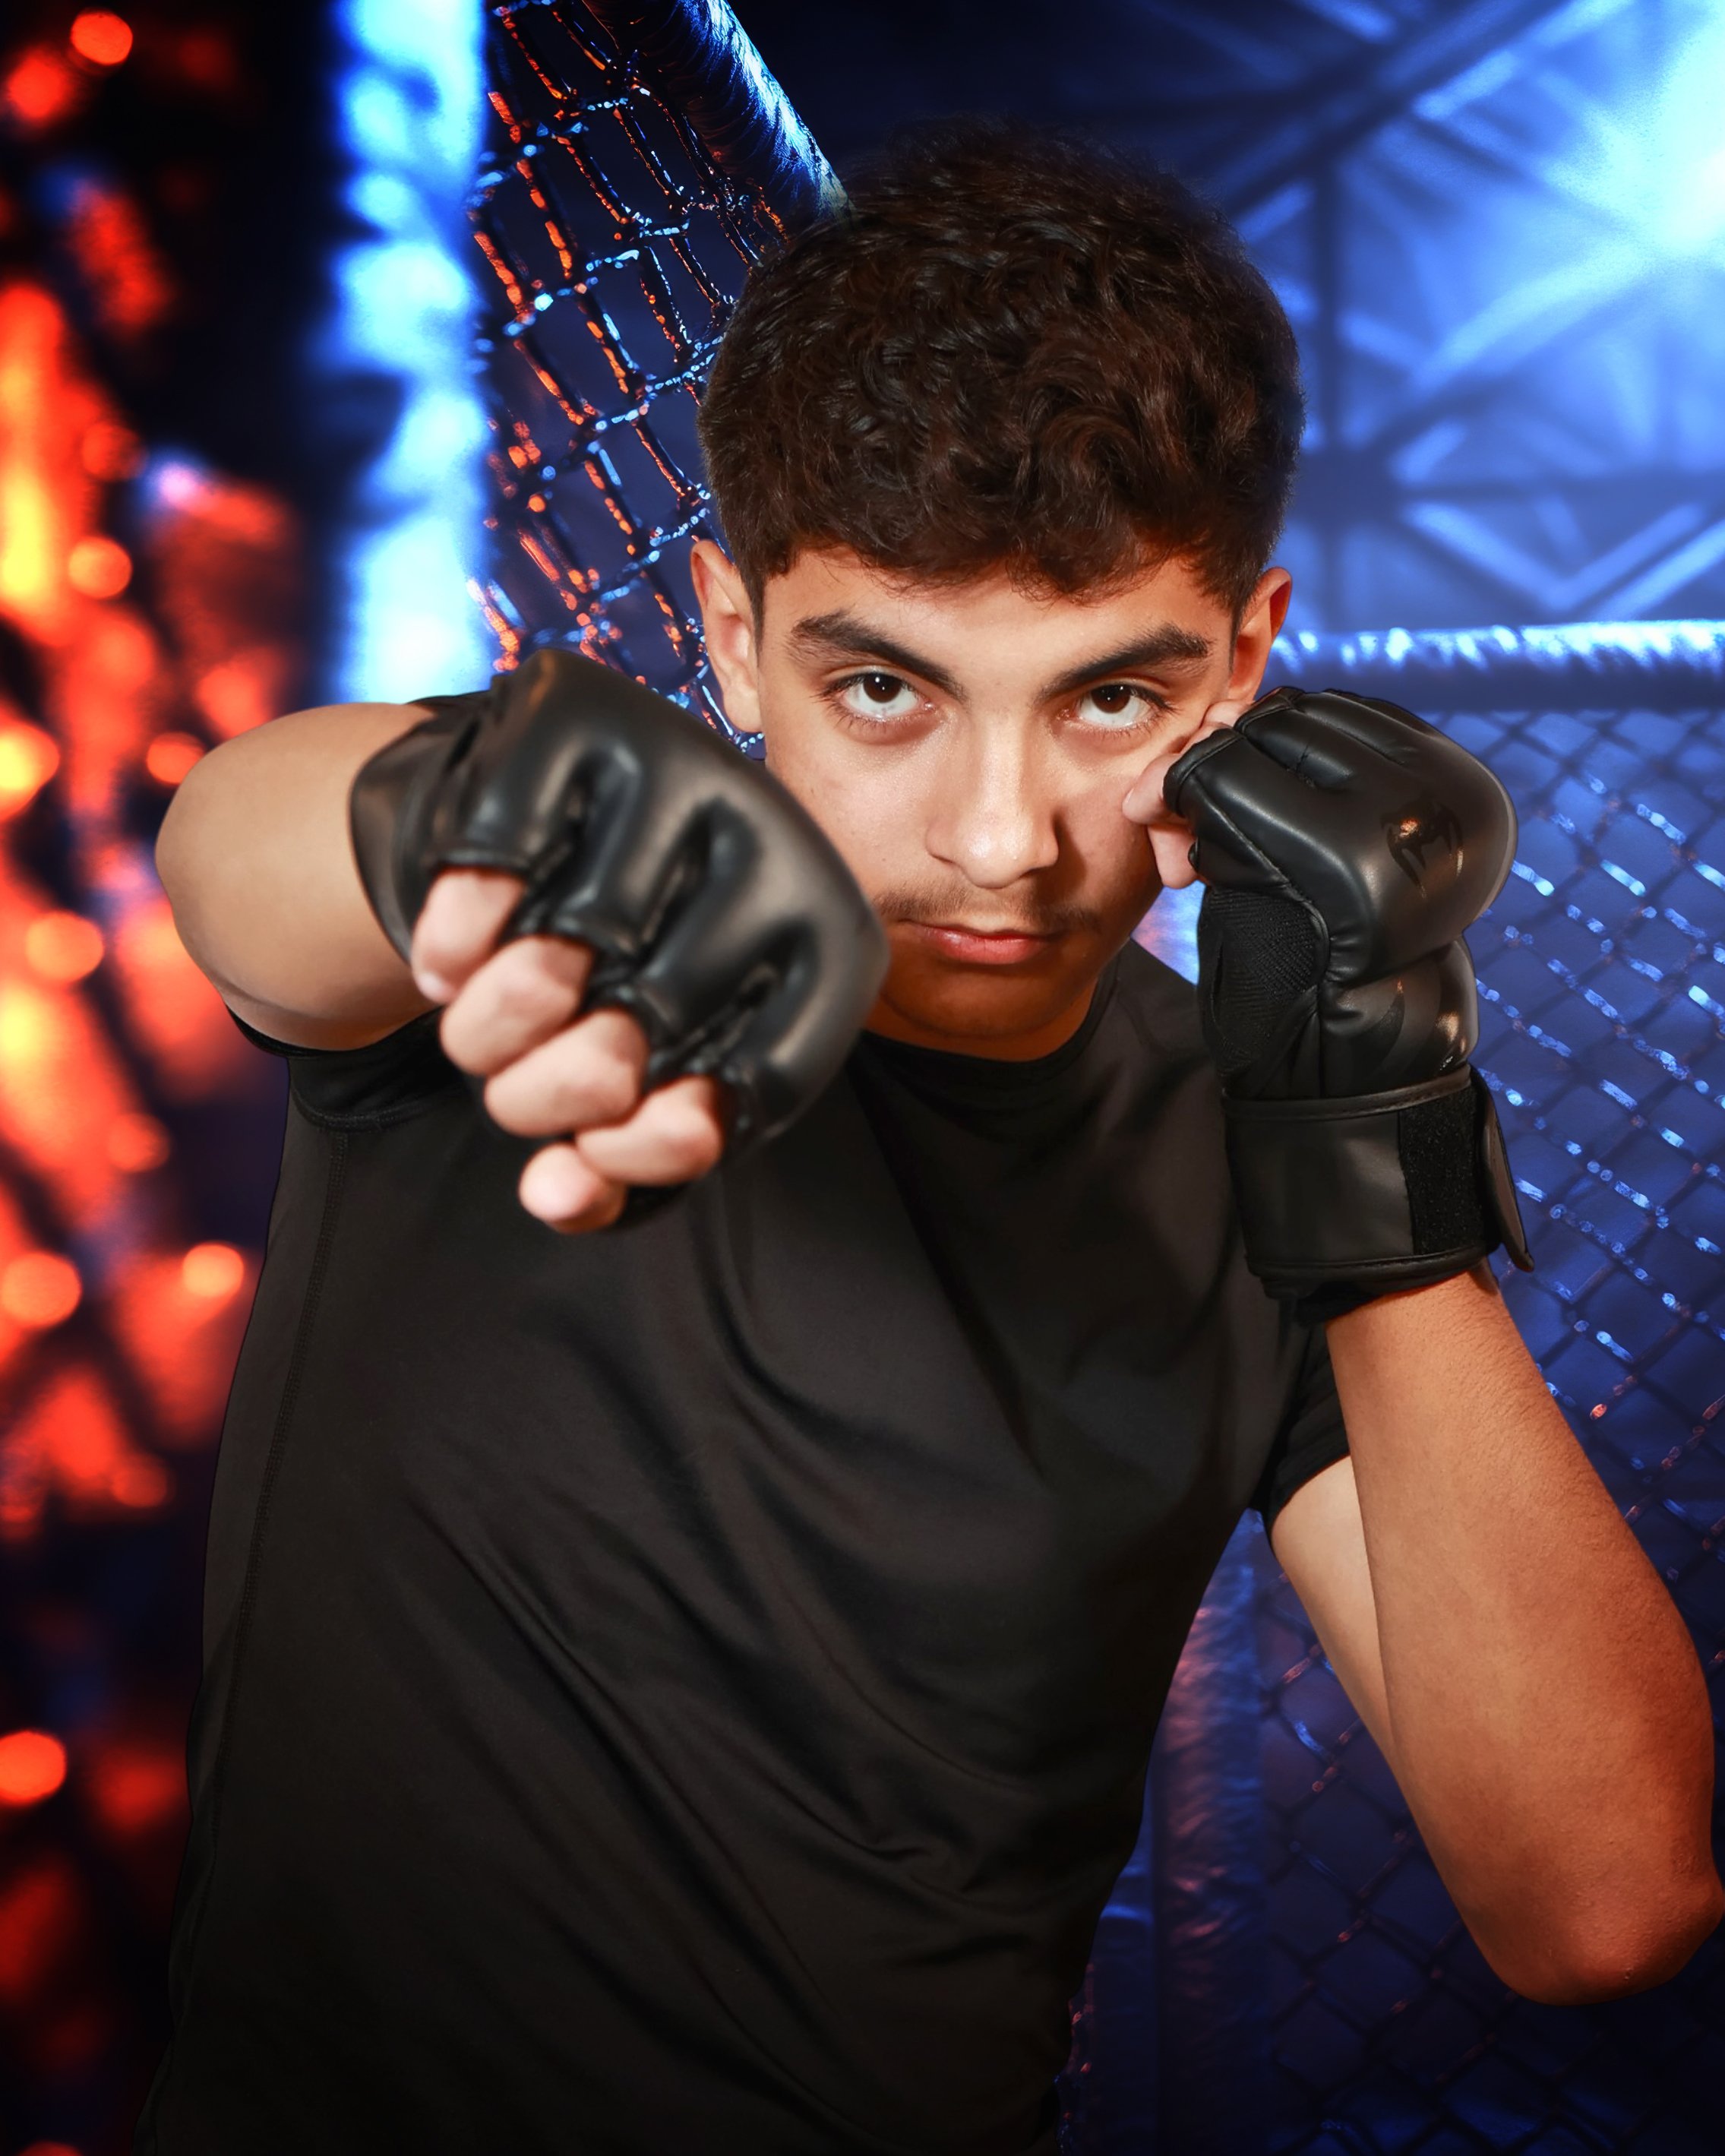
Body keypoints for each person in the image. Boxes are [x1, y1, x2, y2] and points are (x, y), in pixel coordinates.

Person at [142, 125, 1720, 2156]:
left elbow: (1599, 1900)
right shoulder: (546, 937)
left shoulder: (1259, 1152)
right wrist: (470, 804)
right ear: (727, 632)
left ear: (1246, 662)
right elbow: (241, 861)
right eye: (884, 687)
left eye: (1109, 699)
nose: (1002, 837)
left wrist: (1372, 1113)